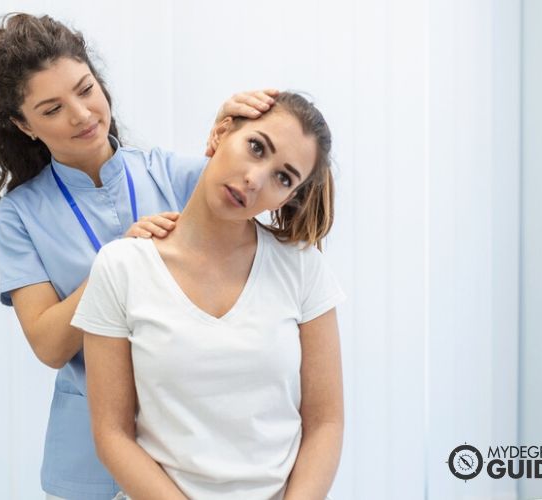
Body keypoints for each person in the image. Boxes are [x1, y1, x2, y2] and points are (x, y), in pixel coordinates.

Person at [0, 13, 277, 500]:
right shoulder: (21, 216)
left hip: (188, 452)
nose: (81, 114)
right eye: (51, 109)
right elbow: (50, 344)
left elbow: (278, 196)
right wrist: (121, 261)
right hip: (88, 466)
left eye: (85, 88)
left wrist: (236, 136)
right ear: (22, 125)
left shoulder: (170, 174)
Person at [74, 92, 345, 499]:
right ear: (221, 132)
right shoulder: (122, 267)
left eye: (283, 177)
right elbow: (112, 434)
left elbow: (325, 422)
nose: (255, 179)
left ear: (287, 198)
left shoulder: (302, 268)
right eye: (256, 147)